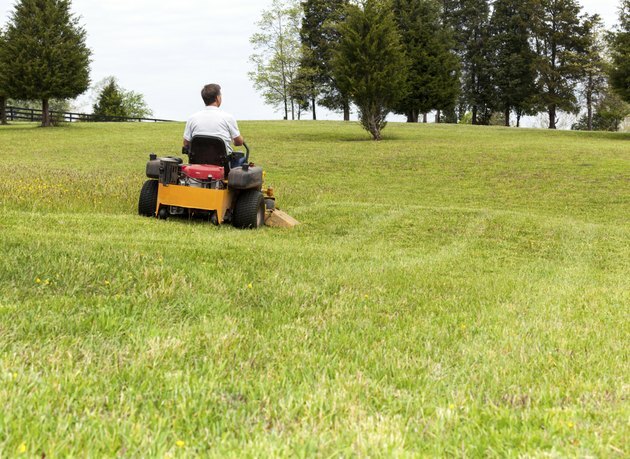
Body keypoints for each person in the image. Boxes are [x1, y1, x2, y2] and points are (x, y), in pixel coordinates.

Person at [183, 84, 244, 153]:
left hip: (197, 160)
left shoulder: (192, 118)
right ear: (218, 98)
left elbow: (186, 143)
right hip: (222, 162)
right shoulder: (228, 118)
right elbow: (239, 142)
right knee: (241, 159)